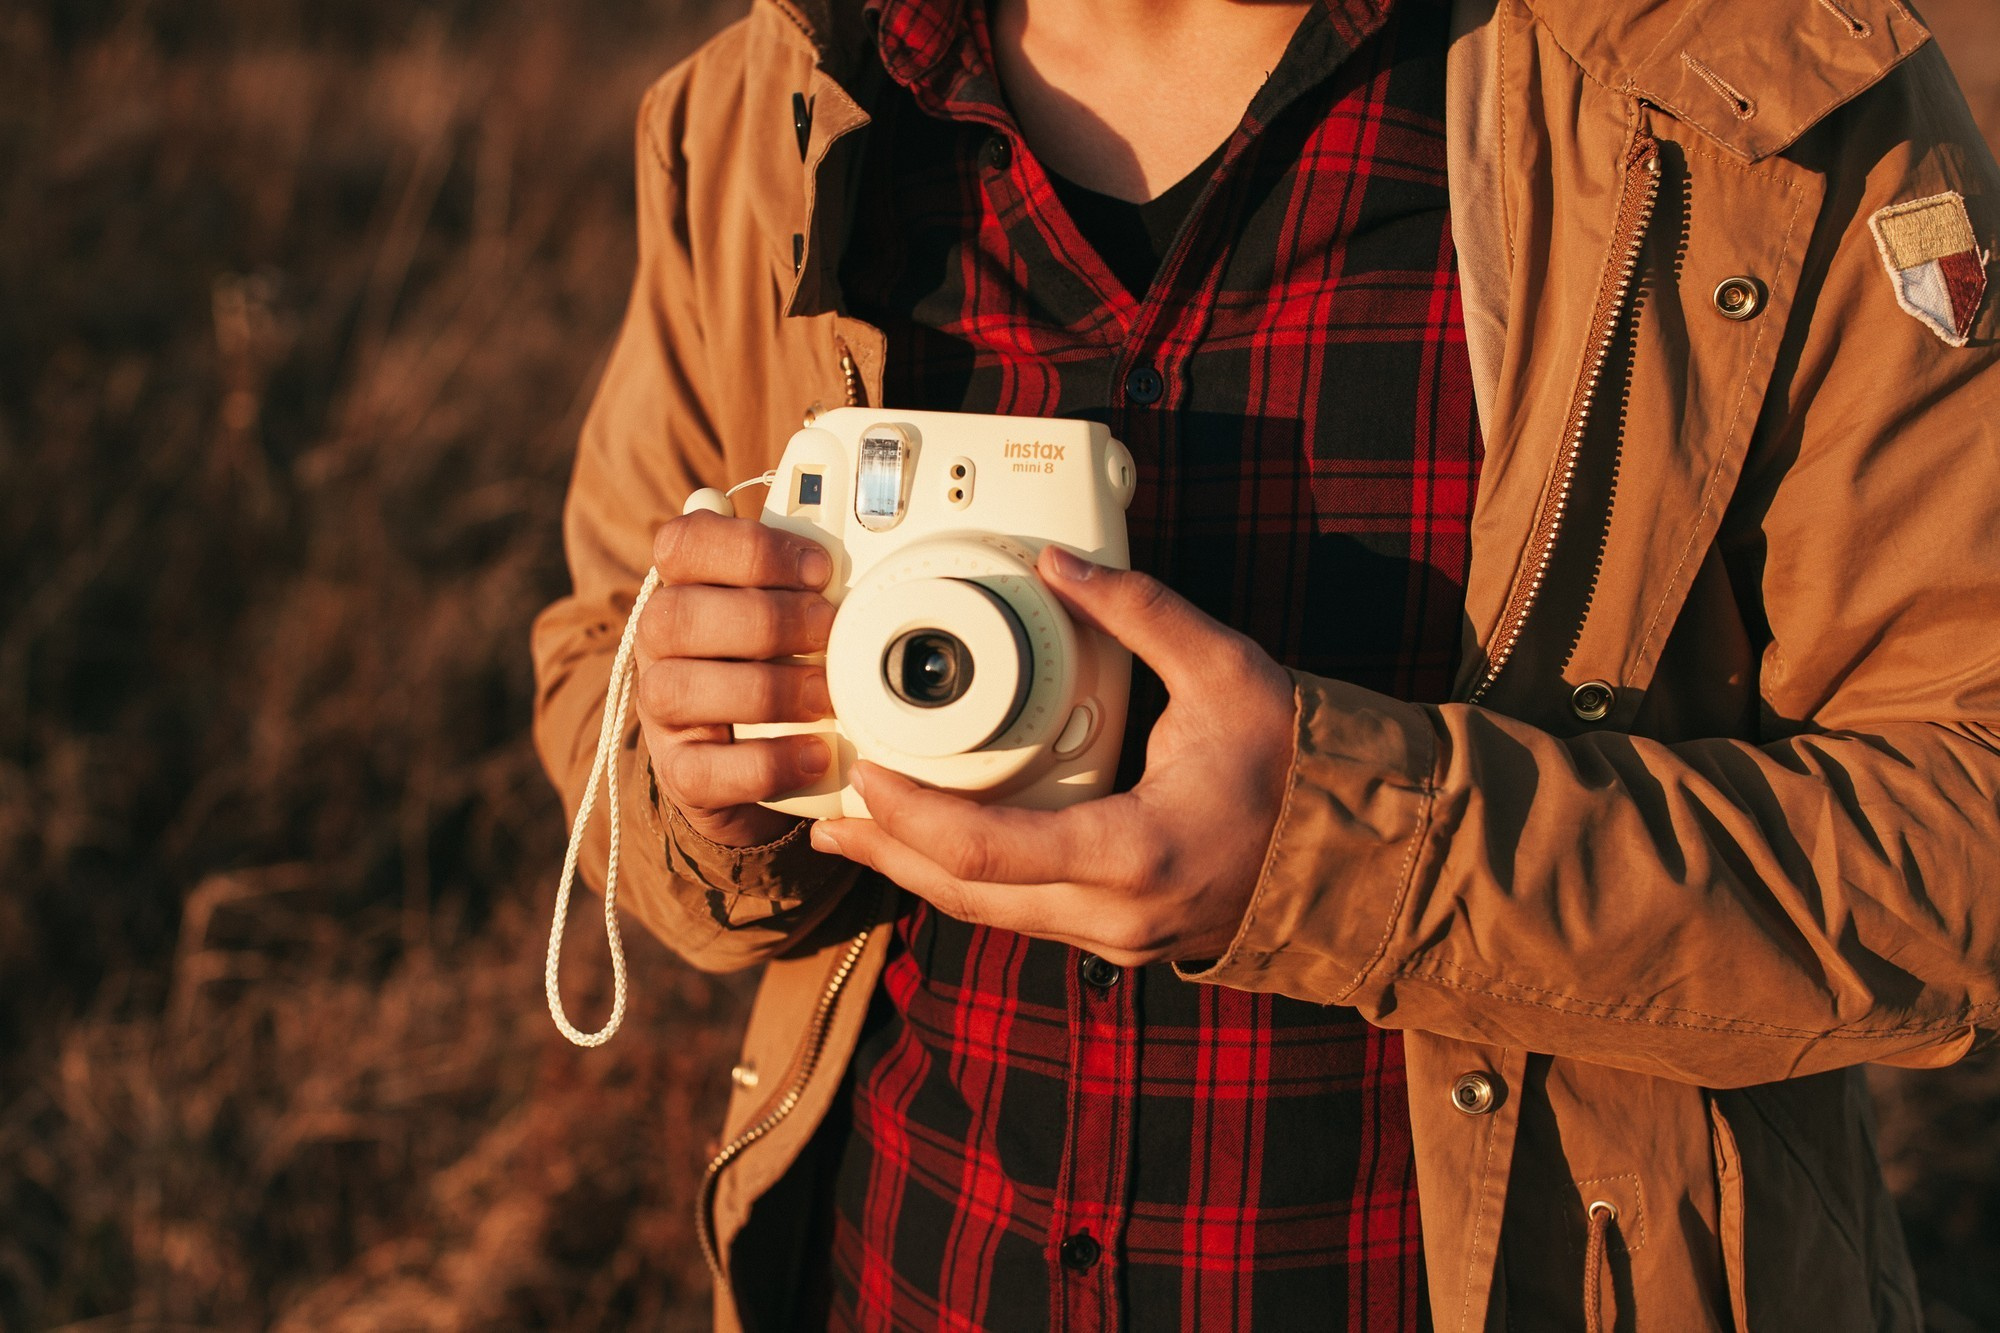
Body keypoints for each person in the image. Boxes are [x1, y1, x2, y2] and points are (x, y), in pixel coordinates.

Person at [531, 0, 2000, 1326]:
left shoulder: (1766, 95)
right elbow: (606, 658)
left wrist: (1339, 855)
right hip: (903, 1268)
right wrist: (703, 782)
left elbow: (1970, 824)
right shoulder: (775, 99)